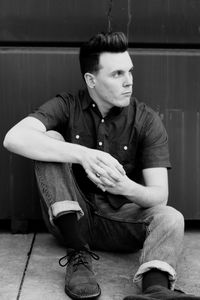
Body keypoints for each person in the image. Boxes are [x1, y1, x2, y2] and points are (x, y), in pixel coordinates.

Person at [3, 31, 200, 300]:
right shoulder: (67, 105)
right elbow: (14, 138)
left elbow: (159, 195)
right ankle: (78, 256)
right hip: (71, 219)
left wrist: (126, 186)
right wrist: (82, 154)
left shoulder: (146, 119)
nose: (128, 82)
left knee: (172, 217)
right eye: (117, 74)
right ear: (91, 80)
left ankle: (156, 289)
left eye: (130, 72)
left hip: (119, 221)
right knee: (49, 141)